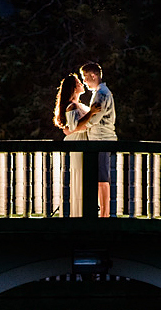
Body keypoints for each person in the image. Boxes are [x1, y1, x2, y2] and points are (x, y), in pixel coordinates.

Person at [68, 62, 116, 217]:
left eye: (85, 77)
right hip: (98, 139)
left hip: (102, 139)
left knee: (102, 178)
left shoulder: (101, 94)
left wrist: (74, 128)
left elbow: (92, 120)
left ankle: (104, 214)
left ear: (93, 75)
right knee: (99, 177)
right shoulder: (100, 92)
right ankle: (102, 212)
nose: (85, 81)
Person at [53, 73, 89, 142]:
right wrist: (92, 113)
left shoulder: (81, 106)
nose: (82, 84)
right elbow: (75, 127)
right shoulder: (72, 106)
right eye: (78, 83)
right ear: (74, 88)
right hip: (77, 140)